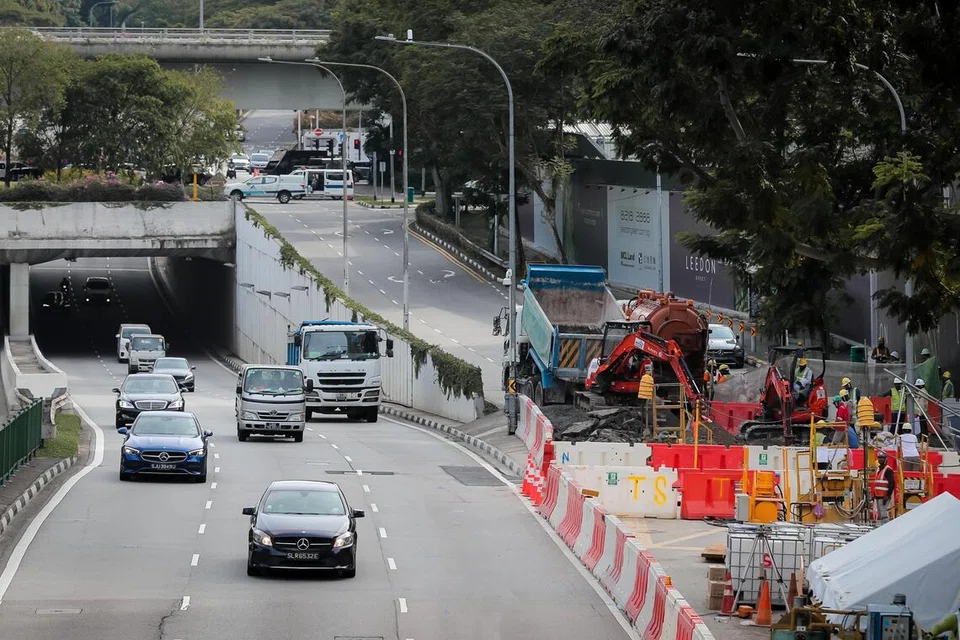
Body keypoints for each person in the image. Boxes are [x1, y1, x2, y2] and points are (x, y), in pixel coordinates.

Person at [871, 451, 896, 523]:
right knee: (881, 514)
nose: (880, 460)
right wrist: (874, 496)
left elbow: (892, 484)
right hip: (878, 496)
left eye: (882, 458)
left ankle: (886, 527)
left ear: (885, 459)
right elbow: (877, 484)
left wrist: (887, 496)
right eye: (879, 458)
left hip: (884, 496)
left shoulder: (888, 470)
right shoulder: (878, 469)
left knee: (884, 515)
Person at [637, 364, 655, 437]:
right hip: (647, 396)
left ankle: (643, 428)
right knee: (646, 410)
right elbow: (651, 387)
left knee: (643, 410)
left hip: (642, 396)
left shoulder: (643, 377)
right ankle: (645, 429)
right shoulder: (650, 378)